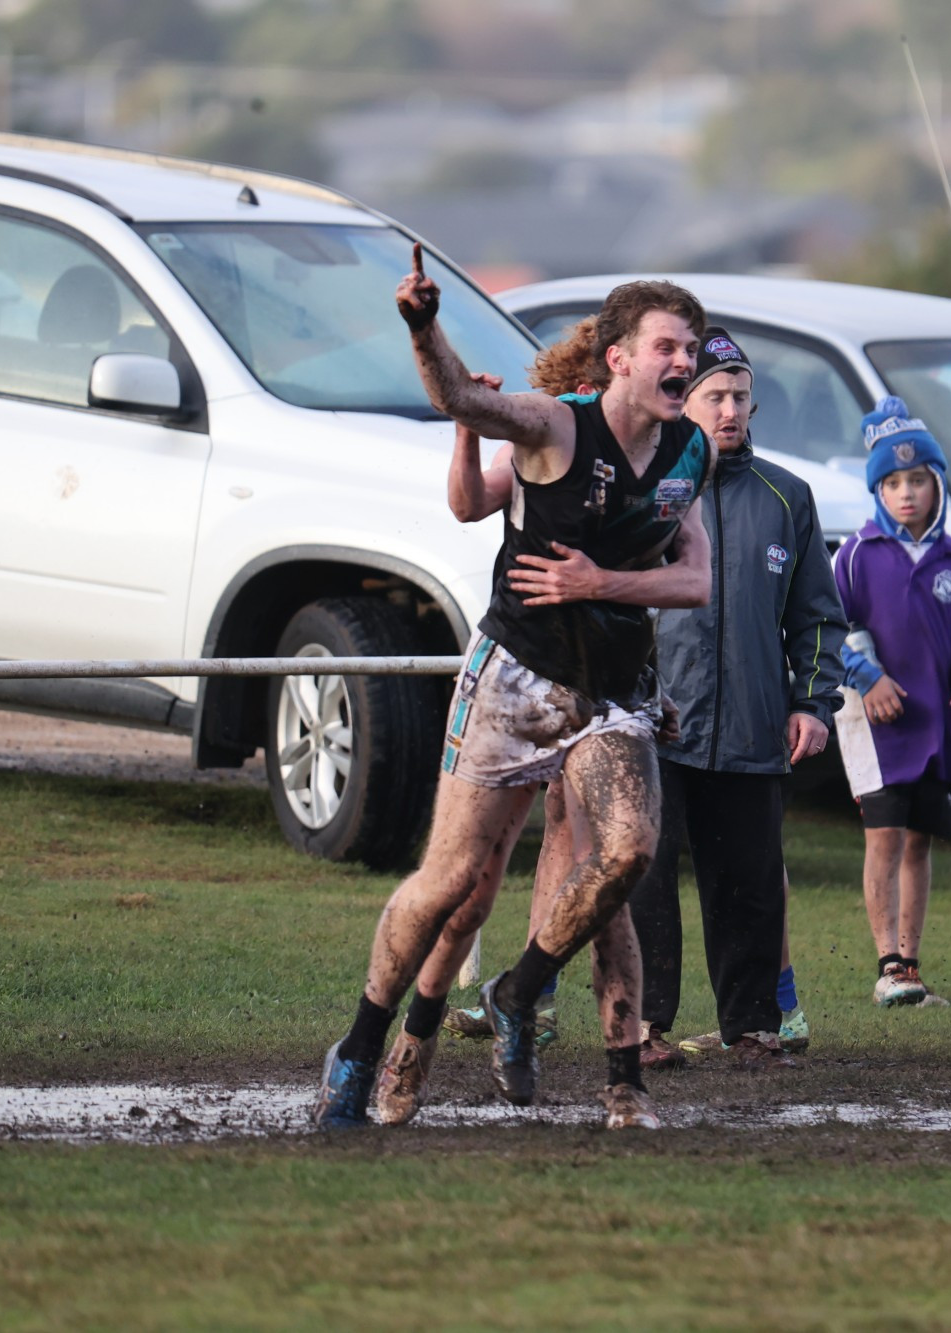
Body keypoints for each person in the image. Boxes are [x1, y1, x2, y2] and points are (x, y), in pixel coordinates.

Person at [313, 257, 715, 1131]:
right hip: (517, 680)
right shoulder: (554, 427)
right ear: (617, 359)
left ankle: (533, 1003)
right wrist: (423, 328)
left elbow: (695, 581)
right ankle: (361, 1045)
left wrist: (598, 583)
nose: (684, 362)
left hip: (611, 691)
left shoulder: (691, 450)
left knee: (628, 854)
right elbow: (459, 397)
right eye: (666, 347)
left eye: (691, 347)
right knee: (454, 881)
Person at [625, 328, 846, 1068]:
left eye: (740, 397)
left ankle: (751, 1026)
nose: (728, 410)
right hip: (658, 727)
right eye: (714, 395)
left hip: (754, 728)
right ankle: (644, 1028)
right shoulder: (650, 489)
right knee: (646, 878)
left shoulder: (790, 497)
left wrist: (812, 705)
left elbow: (818, 615)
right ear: (684, 402)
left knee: (749, 884)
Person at [832, 397, 951, 1007]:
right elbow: (830, 627)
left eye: (919, 481)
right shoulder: (853, 556)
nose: (907, 494)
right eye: (894, 482)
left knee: (921, 840)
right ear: (878, 488)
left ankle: (910, 964)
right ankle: (885, 964)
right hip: (875, 723)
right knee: (884, 835)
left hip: (935, 725)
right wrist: (867, 677)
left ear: (938, 485)